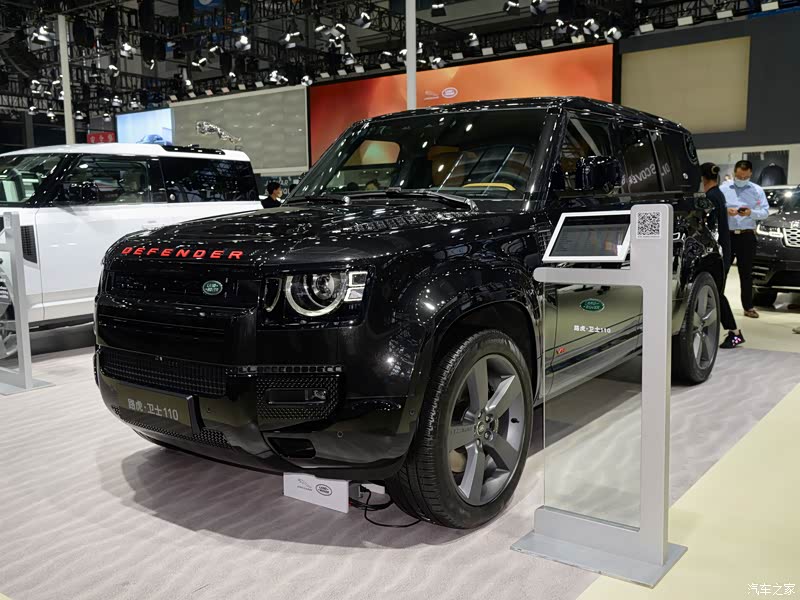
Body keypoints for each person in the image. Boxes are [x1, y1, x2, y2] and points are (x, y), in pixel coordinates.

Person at [702, 162, 745, 348]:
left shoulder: (711, 197)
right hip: (723, 250)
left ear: (702, 178)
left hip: (717, 253)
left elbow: (709, 226)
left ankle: (734, 333)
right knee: (715, 293)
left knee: (716, 293)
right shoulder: (718, 194)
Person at [720, 160, 770, 319]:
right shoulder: (724, 188)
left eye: (745, 177)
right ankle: (716, 303)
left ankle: (748, 307)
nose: (742, 180)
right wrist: (726, 211)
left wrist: (750, 213)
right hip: (727, 235)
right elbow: (714, 208)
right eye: (739, 177)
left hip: (747, 235)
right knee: (722, 271)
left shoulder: (757, 190)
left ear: (750, 174)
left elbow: (765, 212)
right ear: (734, 173)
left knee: (746, 273)